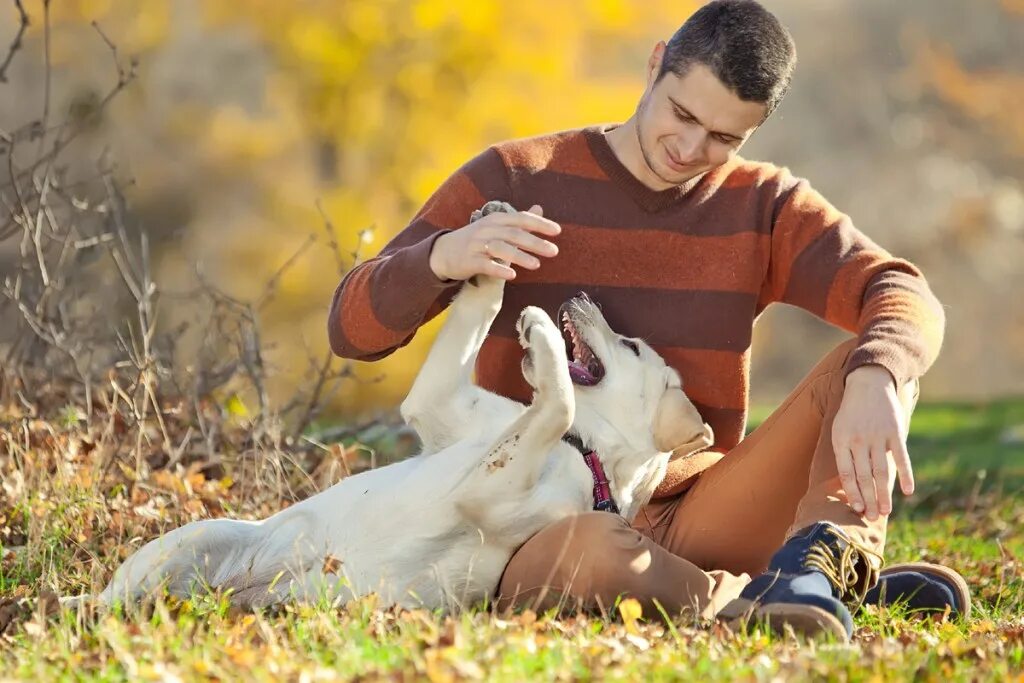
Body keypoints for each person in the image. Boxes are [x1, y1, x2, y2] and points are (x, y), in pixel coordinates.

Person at [327, 0, 969, 639]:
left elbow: (898, 287)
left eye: (723, 138)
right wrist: (440, 258)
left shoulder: (763, 205)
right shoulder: (519, 177)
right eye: (682, 114)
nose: (690, 148)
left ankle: (818, 571)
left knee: (878, 359)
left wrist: (877, 376)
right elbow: (351, 332)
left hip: (695, 513)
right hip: (525, 522)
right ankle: (752, 605)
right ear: (656, 64)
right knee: (601, 552)